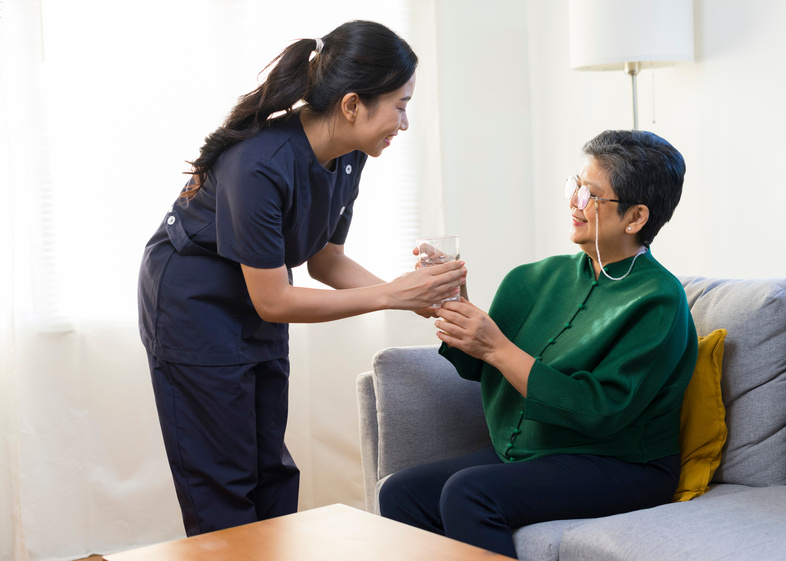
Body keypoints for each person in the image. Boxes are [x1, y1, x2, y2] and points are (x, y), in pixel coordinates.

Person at [137, 20, 466, 537]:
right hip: (193, 301)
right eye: (400, 106)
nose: (404, 123)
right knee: (223, 481)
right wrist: (391, 294)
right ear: (353, 104)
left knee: (272, 470)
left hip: (261, 290)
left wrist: (415, 298)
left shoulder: (349, 153)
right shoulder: (258, 163)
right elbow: (274, 301)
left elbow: (326, 261)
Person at [378, 130, 697, 559]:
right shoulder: (534, 278)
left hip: (621, 463)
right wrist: (453, 308)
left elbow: (601, 411)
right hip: (538, 451)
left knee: (470, 493)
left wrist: (495, 347)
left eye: (591, 195)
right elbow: (481, 366)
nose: (574, 201)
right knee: (401, 492)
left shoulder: (658, 299)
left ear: (635, 217)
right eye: (575, 186)